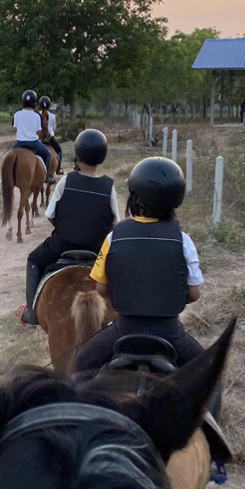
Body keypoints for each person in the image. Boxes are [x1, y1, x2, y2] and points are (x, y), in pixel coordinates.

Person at [74, 156, 205, 371]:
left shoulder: (114, 237)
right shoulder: (184, 241)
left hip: (125, 328)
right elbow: (194, 294)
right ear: (176, 200)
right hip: (170, 331)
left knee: (81, 366)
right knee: (209, 373)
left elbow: (102, 288)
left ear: (137, 199)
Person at [19, 129, 118, 325]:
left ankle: (31, 312)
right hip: (97, 249)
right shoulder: (109, 187)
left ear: (77, 155)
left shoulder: (66, 180)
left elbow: (50, 215)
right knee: (119, 268)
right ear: (102, 157)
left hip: (62, 244)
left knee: (33, 259)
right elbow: (115, 225)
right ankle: (124, 312)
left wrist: (65, 228)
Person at [12, 90, 54, 182]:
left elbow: (15, 129)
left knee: (10, 157)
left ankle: (10, 177)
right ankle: (48, 177)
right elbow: (38, 132)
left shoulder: (17, 114)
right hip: (33, 143)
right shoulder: (36, 116)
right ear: (34, 103)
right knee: (47, 154)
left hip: (19, 143)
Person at [38, 95, 63, 174]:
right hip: (50, 139)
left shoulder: (37, 115)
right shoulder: (52, 116)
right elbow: (54, 127)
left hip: (40, 138)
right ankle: (58, 169)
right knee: (59, 150)